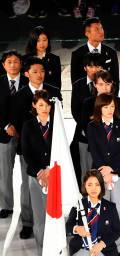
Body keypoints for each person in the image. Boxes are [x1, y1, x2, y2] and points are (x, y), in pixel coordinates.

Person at [10, 57, 61, 239]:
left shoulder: (54, 91)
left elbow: (59, 118)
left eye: (42, 71)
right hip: (29, 150)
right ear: (27, 74)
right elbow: (16, 121)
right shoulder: (20, 95)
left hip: (52, 150)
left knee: (53, 188)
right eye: (35, 72)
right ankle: (28, 223)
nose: (39, 75)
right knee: (28, 187)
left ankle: (54, 222)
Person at [87, 93, 120, 256]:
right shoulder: (92, 126)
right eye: (106, 107)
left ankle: (118, 247)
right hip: (100, 176)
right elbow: (94, 151)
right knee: (102, 211)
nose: (110, 110)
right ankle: (103, 245)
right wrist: (104, 171)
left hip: (119, 173)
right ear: (99, 108)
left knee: (119, 211)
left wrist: (112, 169)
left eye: (112, 106)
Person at [20, 90, 53, 256]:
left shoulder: (56, 125)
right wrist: (40, 171)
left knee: (54, 214)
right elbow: (26, 153)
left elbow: (61, 149)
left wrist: (50, 170)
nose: (45, 108)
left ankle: (55, 249)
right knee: (40, 216)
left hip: (53, 174)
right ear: (34, 106)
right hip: (36, 176)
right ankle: (42, 251)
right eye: (41, 105)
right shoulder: (28, 125)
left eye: (47, 105)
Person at [0, 51, 27, 220]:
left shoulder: (27, 82)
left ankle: (27, 205)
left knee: (27, 172)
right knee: (4, 172)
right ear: (3, 65)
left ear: (21, 64)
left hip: (25, 134)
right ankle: (6, 205)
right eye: (9, 62)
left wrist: (19, 127)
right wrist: (6, 125)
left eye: (16, 61)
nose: (12, 64)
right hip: (3, 134)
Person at [71, 52, 103, 178]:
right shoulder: (78, 85)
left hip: (102, 131)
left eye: (98, 66)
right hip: (83, 132)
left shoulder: (107, 83)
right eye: (91, 66)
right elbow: (75, 111)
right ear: (85, 68)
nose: (95, 70)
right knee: (84, 166)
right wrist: (87, 128)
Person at [70, 17, 119, 88]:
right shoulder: (77, 54)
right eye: (97, 29)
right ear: (87, 33)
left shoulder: (111, 52)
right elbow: (75, 81)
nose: (101, 31)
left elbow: (116, 80)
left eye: (101, 28)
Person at [24, 26, 61, 90]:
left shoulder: (55, 59)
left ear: (48, 41)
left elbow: (57, 83)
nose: (42, 43)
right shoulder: (25, 59)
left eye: (44, 40)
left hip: (49, 95)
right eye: (38, 41)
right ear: (33, 41)